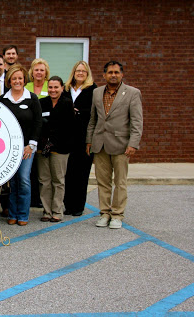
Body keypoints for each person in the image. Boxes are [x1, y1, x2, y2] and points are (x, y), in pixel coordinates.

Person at [86, 61, 143, 229]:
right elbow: (92, 120)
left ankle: (117, 214)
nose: (113, 75)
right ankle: (104, 213)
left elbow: (137, 121)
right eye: (110, 72)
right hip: (100, 144)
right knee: (103, 182)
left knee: (120, 182)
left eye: (116, 72)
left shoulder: (132, 93)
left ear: (122, 74)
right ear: (104, 75)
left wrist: (133, 143)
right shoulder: (97, 93)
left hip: (121, 144)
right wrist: (89, 140)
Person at [0, 64, 42, 226]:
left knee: (23, 179)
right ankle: (13, 213)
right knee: (13, 181)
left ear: (24, 80)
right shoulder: (3, 99)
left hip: (26, 148)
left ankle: (23, 215)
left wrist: (31, 145)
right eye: (14, 78)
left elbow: (38, 123)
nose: (17, 81)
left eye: (20, 78)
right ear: (9, 81)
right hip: (9, 148)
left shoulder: (32, 98)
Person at [37, 76, 74, 223]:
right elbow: (39, 125)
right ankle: (47, 211)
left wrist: (53, 142)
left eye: (56, 87)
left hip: (60, 148)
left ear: (62, 88)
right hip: (42, 149)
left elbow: (68, 128)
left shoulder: (67, 103)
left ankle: (57, 211)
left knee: (58, 180)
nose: (53, 90)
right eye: (50, 87)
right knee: (44, 180)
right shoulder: (42, 103)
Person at [62, 61, 97, 216]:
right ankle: (68, 205)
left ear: (87, 73)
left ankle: (78, 206)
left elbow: (93, 113)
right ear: (73, 72)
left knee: (81, 174)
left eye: (83, 71)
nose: (80, 73)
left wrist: (78, 112)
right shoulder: (66, 88)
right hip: (67, 138)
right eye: (78, 70)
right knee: (68, 173)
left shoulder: (93, 89)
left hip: (84, 139)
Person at [27, 58, 51, 208]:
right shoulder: (26, 86)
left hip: (46, 133)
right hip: (31, 131)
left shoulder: (51, 87)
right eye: (36, 70)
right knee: (31, 169)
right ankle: (32, 198)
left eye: (42, 70)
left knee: (44, 170)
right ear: (32, 72)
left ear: (46, 72)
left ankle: (43, 199)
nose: (39, 72)